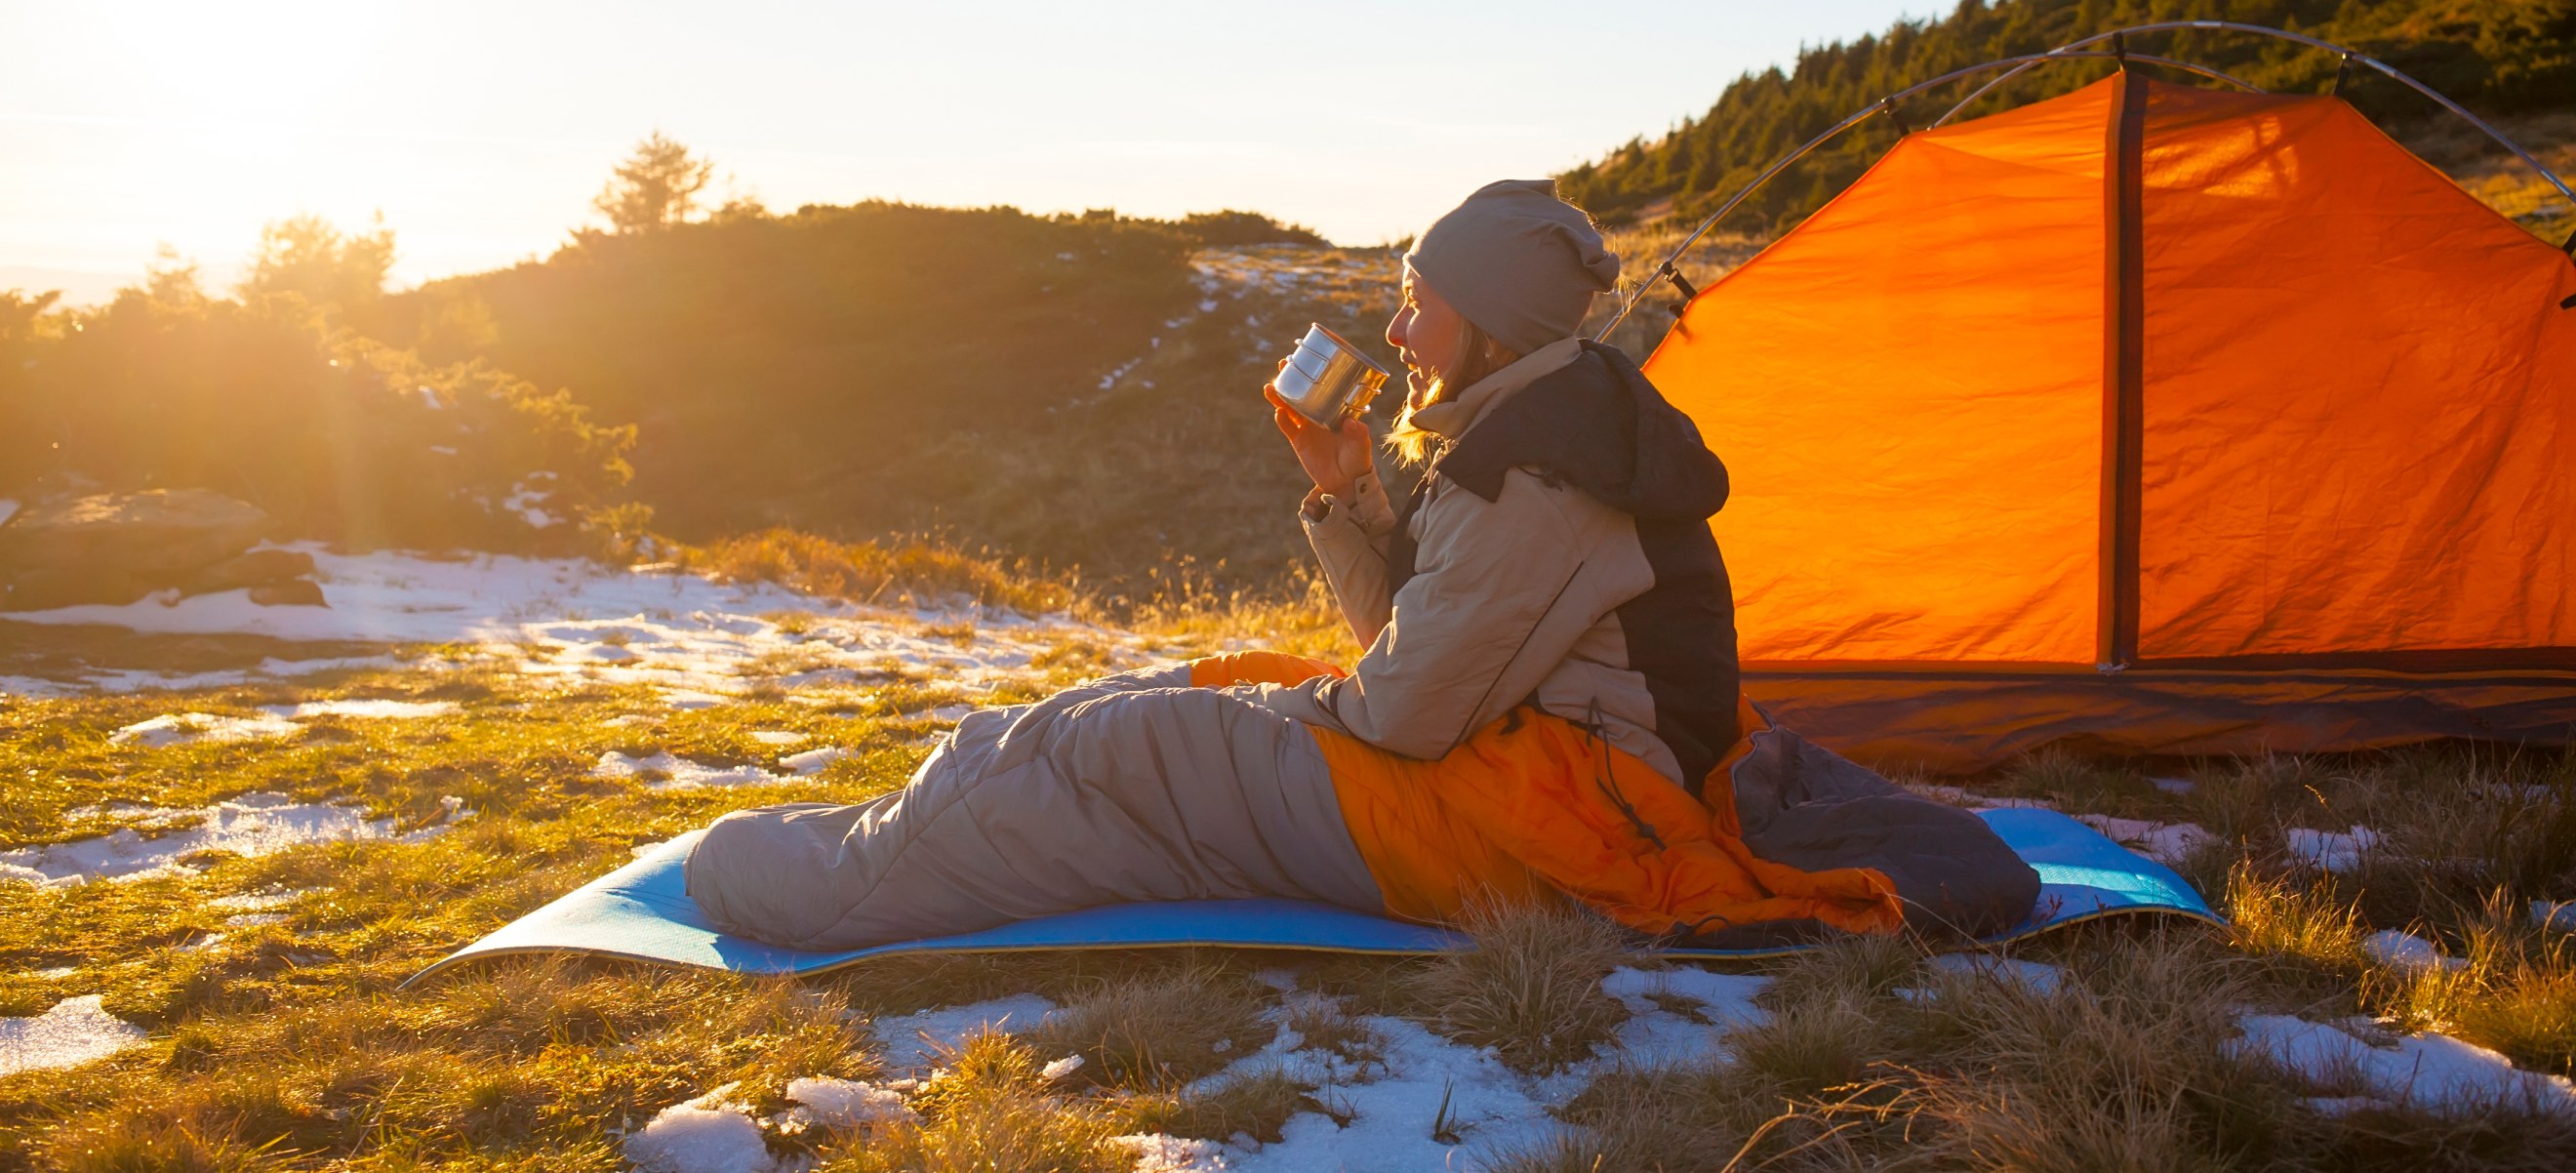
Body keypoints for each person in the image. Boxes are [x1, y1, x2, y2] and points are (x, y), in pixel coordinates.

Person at [683, 179, 2037, 951]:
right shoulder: (1530, 426)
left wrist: (1283, 713)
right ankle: (900, 826)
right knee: (1144, 703)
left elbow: (1401, 707)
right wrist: (1348, 497)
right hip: (1521, 758)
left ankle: (845, 890)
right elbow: (1435, 640)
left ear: (1489, 323)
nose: (1396, 329)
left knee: (1135, 748)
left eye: (1418, 302)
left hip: (1559, 815)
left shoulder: (1540, 471)